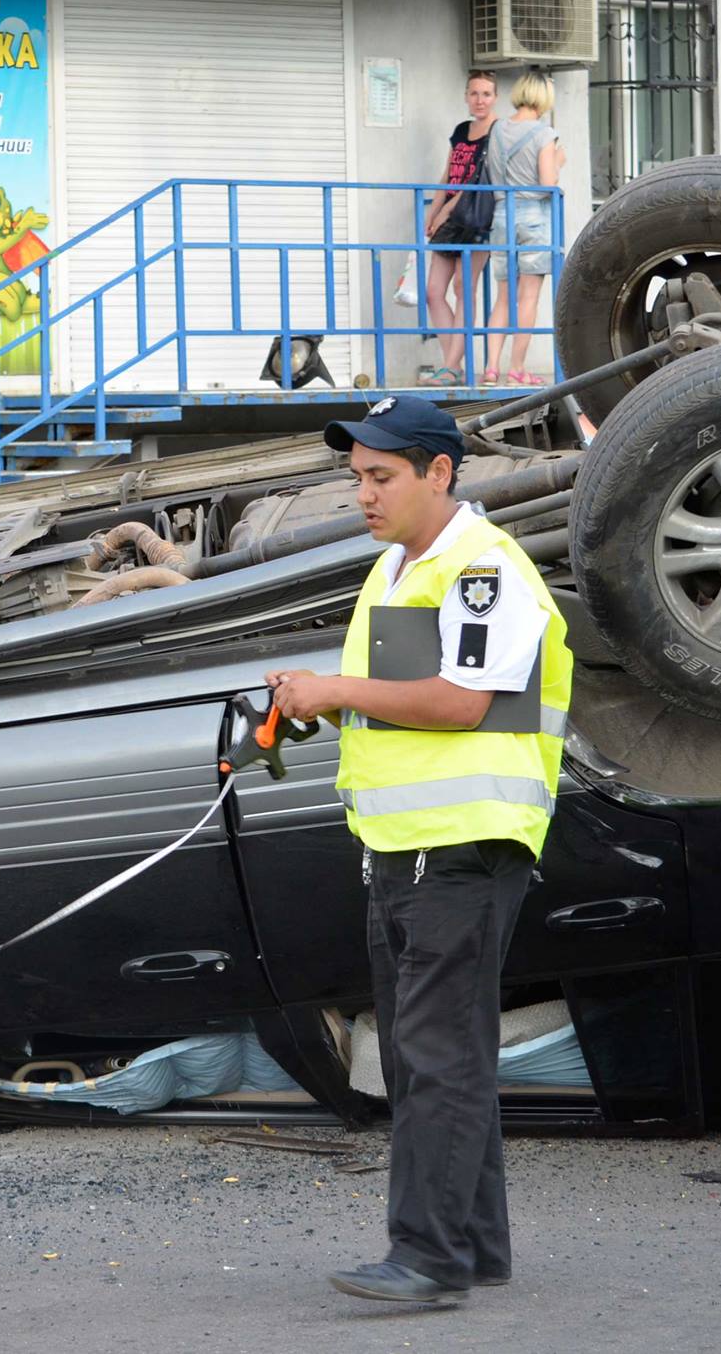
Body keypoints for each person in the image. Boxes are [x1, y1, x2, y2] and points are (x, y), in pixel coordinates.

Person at [265, 396, 573, 1304]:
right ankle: (471, 1246)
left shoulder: (484, 570)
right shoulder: (400, 570)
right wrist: (315, 702)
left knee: (436, 1053)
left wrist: (332, 685)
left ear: (440, 472)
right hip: (404, 851)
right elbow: (394, 702)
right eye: (356, 477)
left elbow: (462, 702)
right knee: (428, 1054)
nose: (361, 495)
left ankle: (429, 1257)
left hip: (464, 848)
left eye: (381, 477)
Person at [483, 71, 567, 386]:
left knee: (503, 297)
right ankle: (517, 367)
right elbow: (547, 185)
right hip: (533, 216)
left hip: (502, 214)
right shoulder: (544, 134)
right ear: (544, 98)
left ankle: (491, 367)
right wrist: (558, 162)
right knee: (528, 296)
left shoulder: (497, 129)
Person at [418, 71, 499, 388]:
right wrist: (433, 210)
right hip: (449, 219)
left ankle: (450, 366)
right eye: (474, 93)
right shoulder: (461, 130)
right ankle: (452, 364)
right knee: (433, 292)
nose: (480, 100)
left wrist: (446, 211)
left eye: (486, 94)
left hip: (475, 216)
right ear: (466, 96)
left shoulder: (497, 131)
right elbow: (449, 175)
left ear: (495, 98)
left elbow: (478, 182)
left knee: (464, 289)